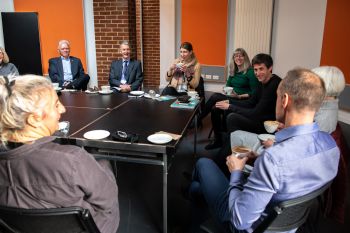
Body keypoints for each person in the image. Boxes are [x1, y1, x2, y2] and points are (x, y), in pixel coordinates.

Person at [188, 68, 340, 233]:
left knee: (203, 163)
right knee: (197, 188)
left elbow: (239, 221)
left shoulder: (273, 159)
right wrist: (259, 157)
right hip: (288, 225)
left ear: (285, 100)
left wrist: (236, 172)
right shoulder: (331, 146)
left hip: (246, 225)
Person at [0, 75, 119, 233]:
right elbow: (107, 200)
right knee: (104, 164)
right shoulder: (73, 160)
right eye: (56, 105)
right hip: (90, 228)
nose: (62, 109)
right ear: (34, 119)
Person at [215, 66, 346, 176]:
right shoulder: (328, 109)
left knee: (231, 132)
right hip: (279, 145)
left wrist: (273, 147)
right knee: (234, 131)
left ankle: (220, 172)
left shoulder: (321, 117)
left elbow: (299, 154)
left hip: (276, 151)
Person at [205, 53, 281, 150]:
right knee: (218, 108)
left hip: (265, 125)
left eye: (261, 69)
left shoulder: (274, 84)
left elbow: (256, 113)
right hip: (257, 115)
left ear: (270, 68)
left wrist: (231, 106)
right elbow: (250, 103)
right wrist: (230, 103)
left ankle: (229, 149)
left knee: (232, 117)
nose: (257, 73)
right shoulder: (261, 82)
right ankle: (222, 142)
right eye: (255, 70)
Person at [199, 48, 259, 122]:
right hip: (231, 98)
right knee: (215, 108)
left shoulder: (250, 72)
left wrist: (239, 96)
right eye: (236, 56)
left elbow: (255, 93)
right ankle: (218, 133)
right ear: (233, 59)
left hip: (243, 101)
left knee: (215, 96)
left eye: (241, 56)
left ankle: (198, 119)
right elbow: (228, 86)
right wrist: (225, 90)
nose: (238, 58)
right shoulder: (233, 71)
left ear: (245, 58)